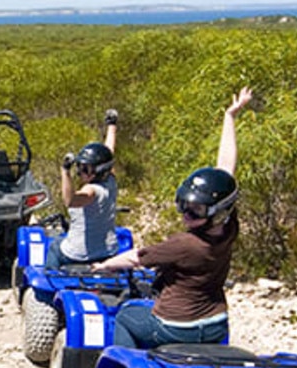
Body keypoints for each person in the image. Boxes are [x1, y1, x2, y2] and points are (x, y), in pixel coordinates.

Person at [90, 87, 254, 349]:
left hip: (176, 325)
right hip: (216, 324)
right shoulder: (228, 228)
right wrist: (230, 117)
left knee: (125, 317)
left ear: (215, 213)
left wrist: (105, 265)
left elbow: (135, 258)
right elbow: (225, 172)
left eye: (196, 211)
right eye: (185, 206)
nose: (186, 215)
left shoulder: (185, 245)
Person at [48, 109, 121, 267]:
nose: (80, 172)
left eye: (86, 169)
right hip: (109, 251)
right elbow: (109, 151)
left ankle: (44, 292)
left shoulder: (91, 191)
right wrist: (112, 125)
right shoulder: (111, 180)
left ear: (99, 171)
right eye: (80, 167)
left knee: (54, 247)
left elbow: (70, 200)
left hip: (79, 254)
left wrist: (65, 171)